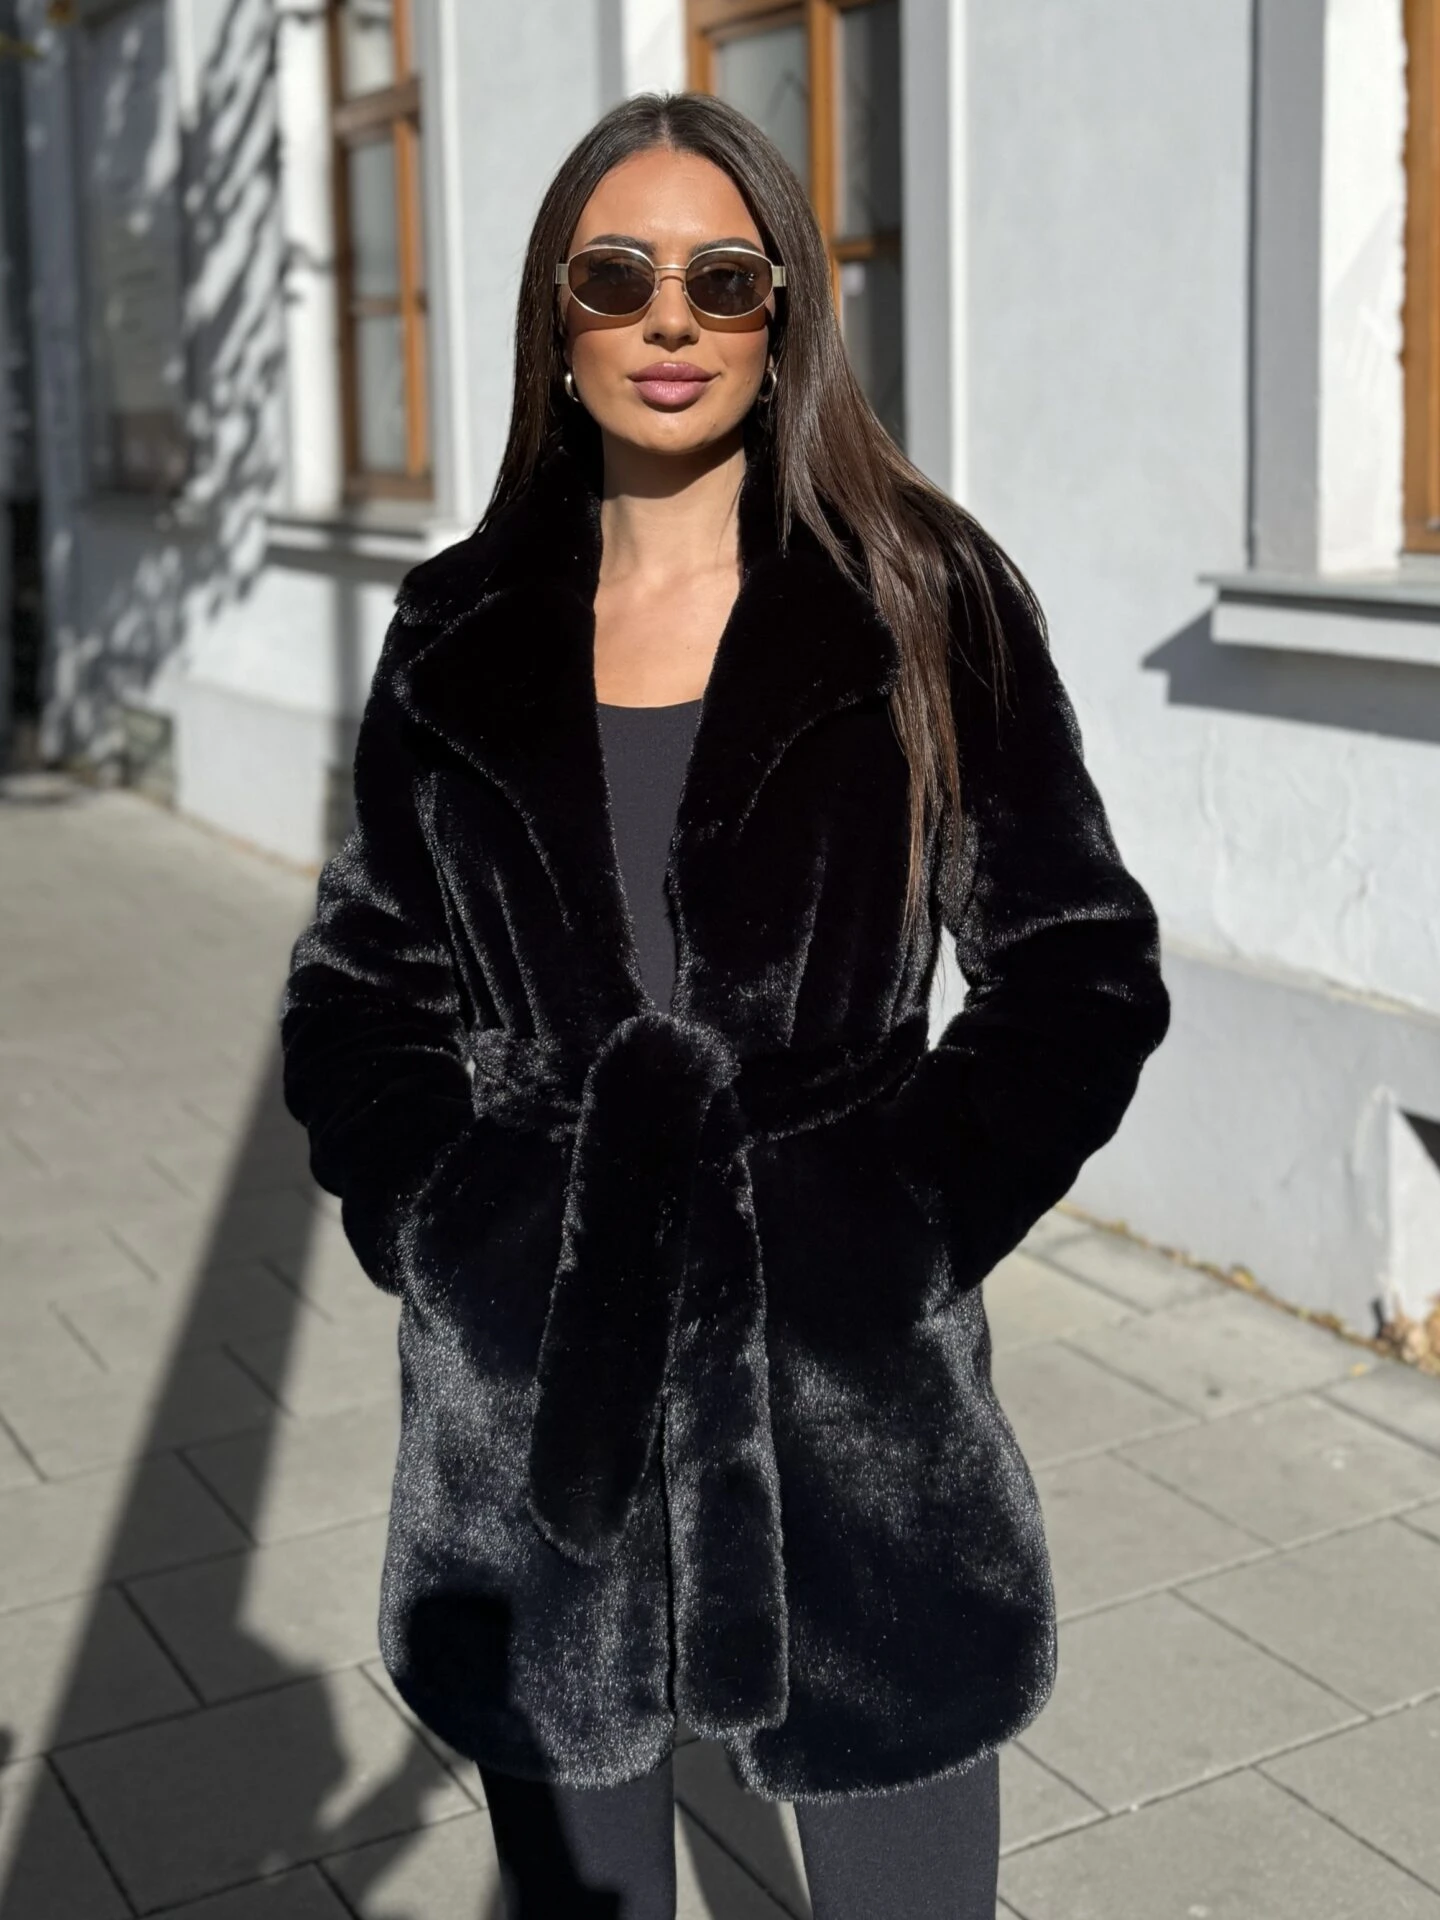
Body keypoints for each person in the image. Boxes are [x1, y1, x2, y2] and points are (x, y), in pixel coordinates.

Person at [279, 90, 1170, 1919]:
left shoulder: (920, 597)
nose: (670, 319)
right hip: (537, 1418)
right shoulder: (454, 631)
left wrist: (897, 1221)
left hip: (856, 1423)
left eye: (723, 278)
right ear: (558, 317)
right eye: (618, 276)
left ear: (783, 319)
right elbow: (362, 984)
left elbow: (1077, 961)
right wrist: (453, 1229)